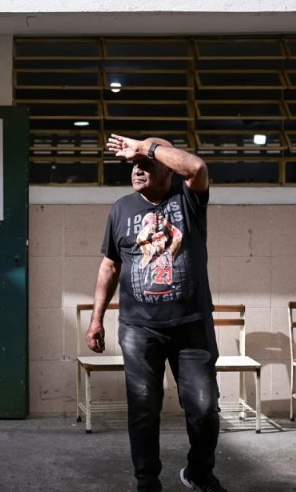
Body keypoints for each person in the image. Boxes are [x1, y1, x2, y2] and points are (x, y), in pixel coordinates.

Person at [87, 134, 226, 492]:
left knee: (204, 408)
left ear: (167, 168)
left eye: (146, 165)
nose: (138, 169)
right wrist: (96, 318)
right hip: (139, 329)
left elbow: (197, 167)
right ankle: (147, 481)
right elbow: (110, 265)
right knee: (144, 409)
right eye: (134, 165)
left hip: (191, 326)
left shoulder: (188, 198)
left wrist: (145, 147)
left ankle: (199, 473)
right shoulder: (121, 209)